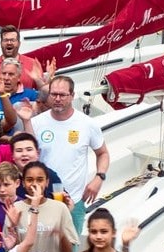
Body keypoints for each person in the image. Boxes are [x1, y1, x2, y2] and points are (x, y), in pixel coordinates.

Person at [29, 76, 109, 230]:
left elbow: (103, 153)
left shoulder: (87, 124)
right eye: (54, 94)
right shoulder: (36, 123)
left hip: (75, 200)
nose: (57, 99)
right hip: (43, 200)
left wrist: (99, 178)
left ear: (72, 96)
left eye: (62, 95)